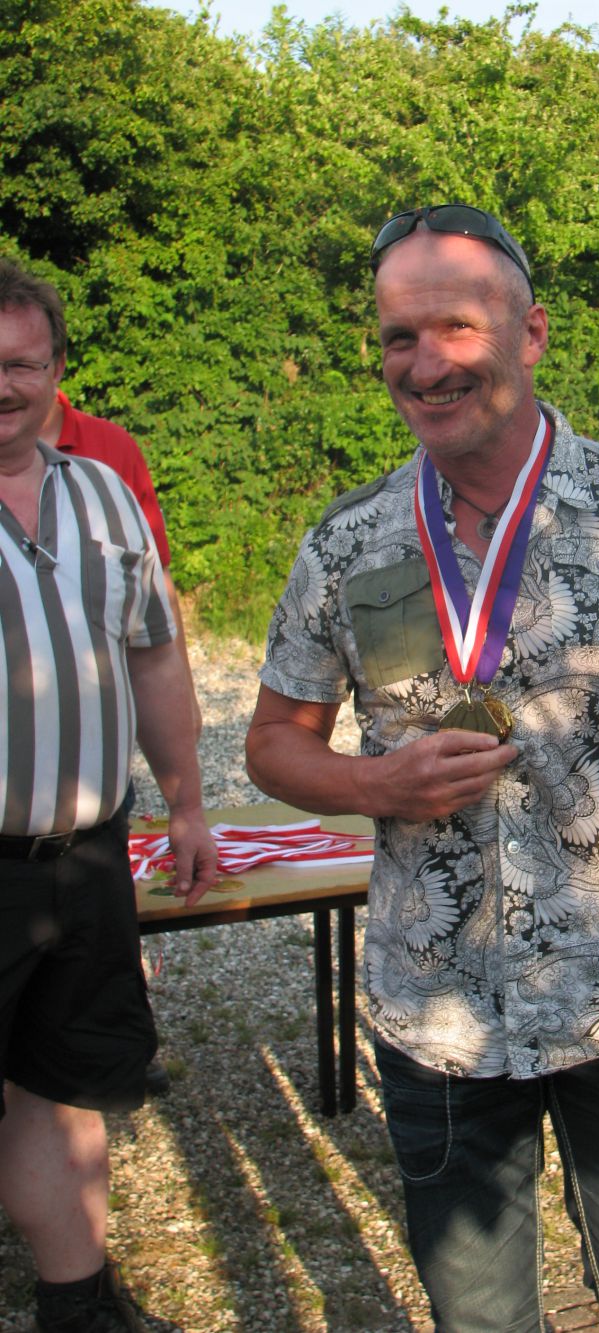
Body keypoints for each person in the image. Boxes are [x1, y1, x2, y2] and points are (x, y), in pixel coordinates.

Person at [245, 204, 599, 1333]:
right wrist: (371, 786)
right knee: (479, 1320)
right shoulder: (349, 543)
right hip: (437, 1018)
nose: (425, 364)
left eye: (455, 326)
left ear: (532, 332)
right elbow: (272, 743)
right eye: (399, 337)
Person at [0, 257, 217, 1332]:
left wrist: (187, 801)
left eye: (20, 363)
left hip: (85, 856)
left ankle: (78, 1308)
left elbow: (156, 654)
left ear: (55, 370)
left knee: (63, 1087)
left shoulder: (103, 493)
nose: (2, 386)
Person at [38, 388, 202, 738]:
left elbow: (155, 580)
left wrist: (184, 695)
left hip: (98, 709)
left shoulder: (112, 446)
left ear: (56, 365)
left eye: (21, 365)